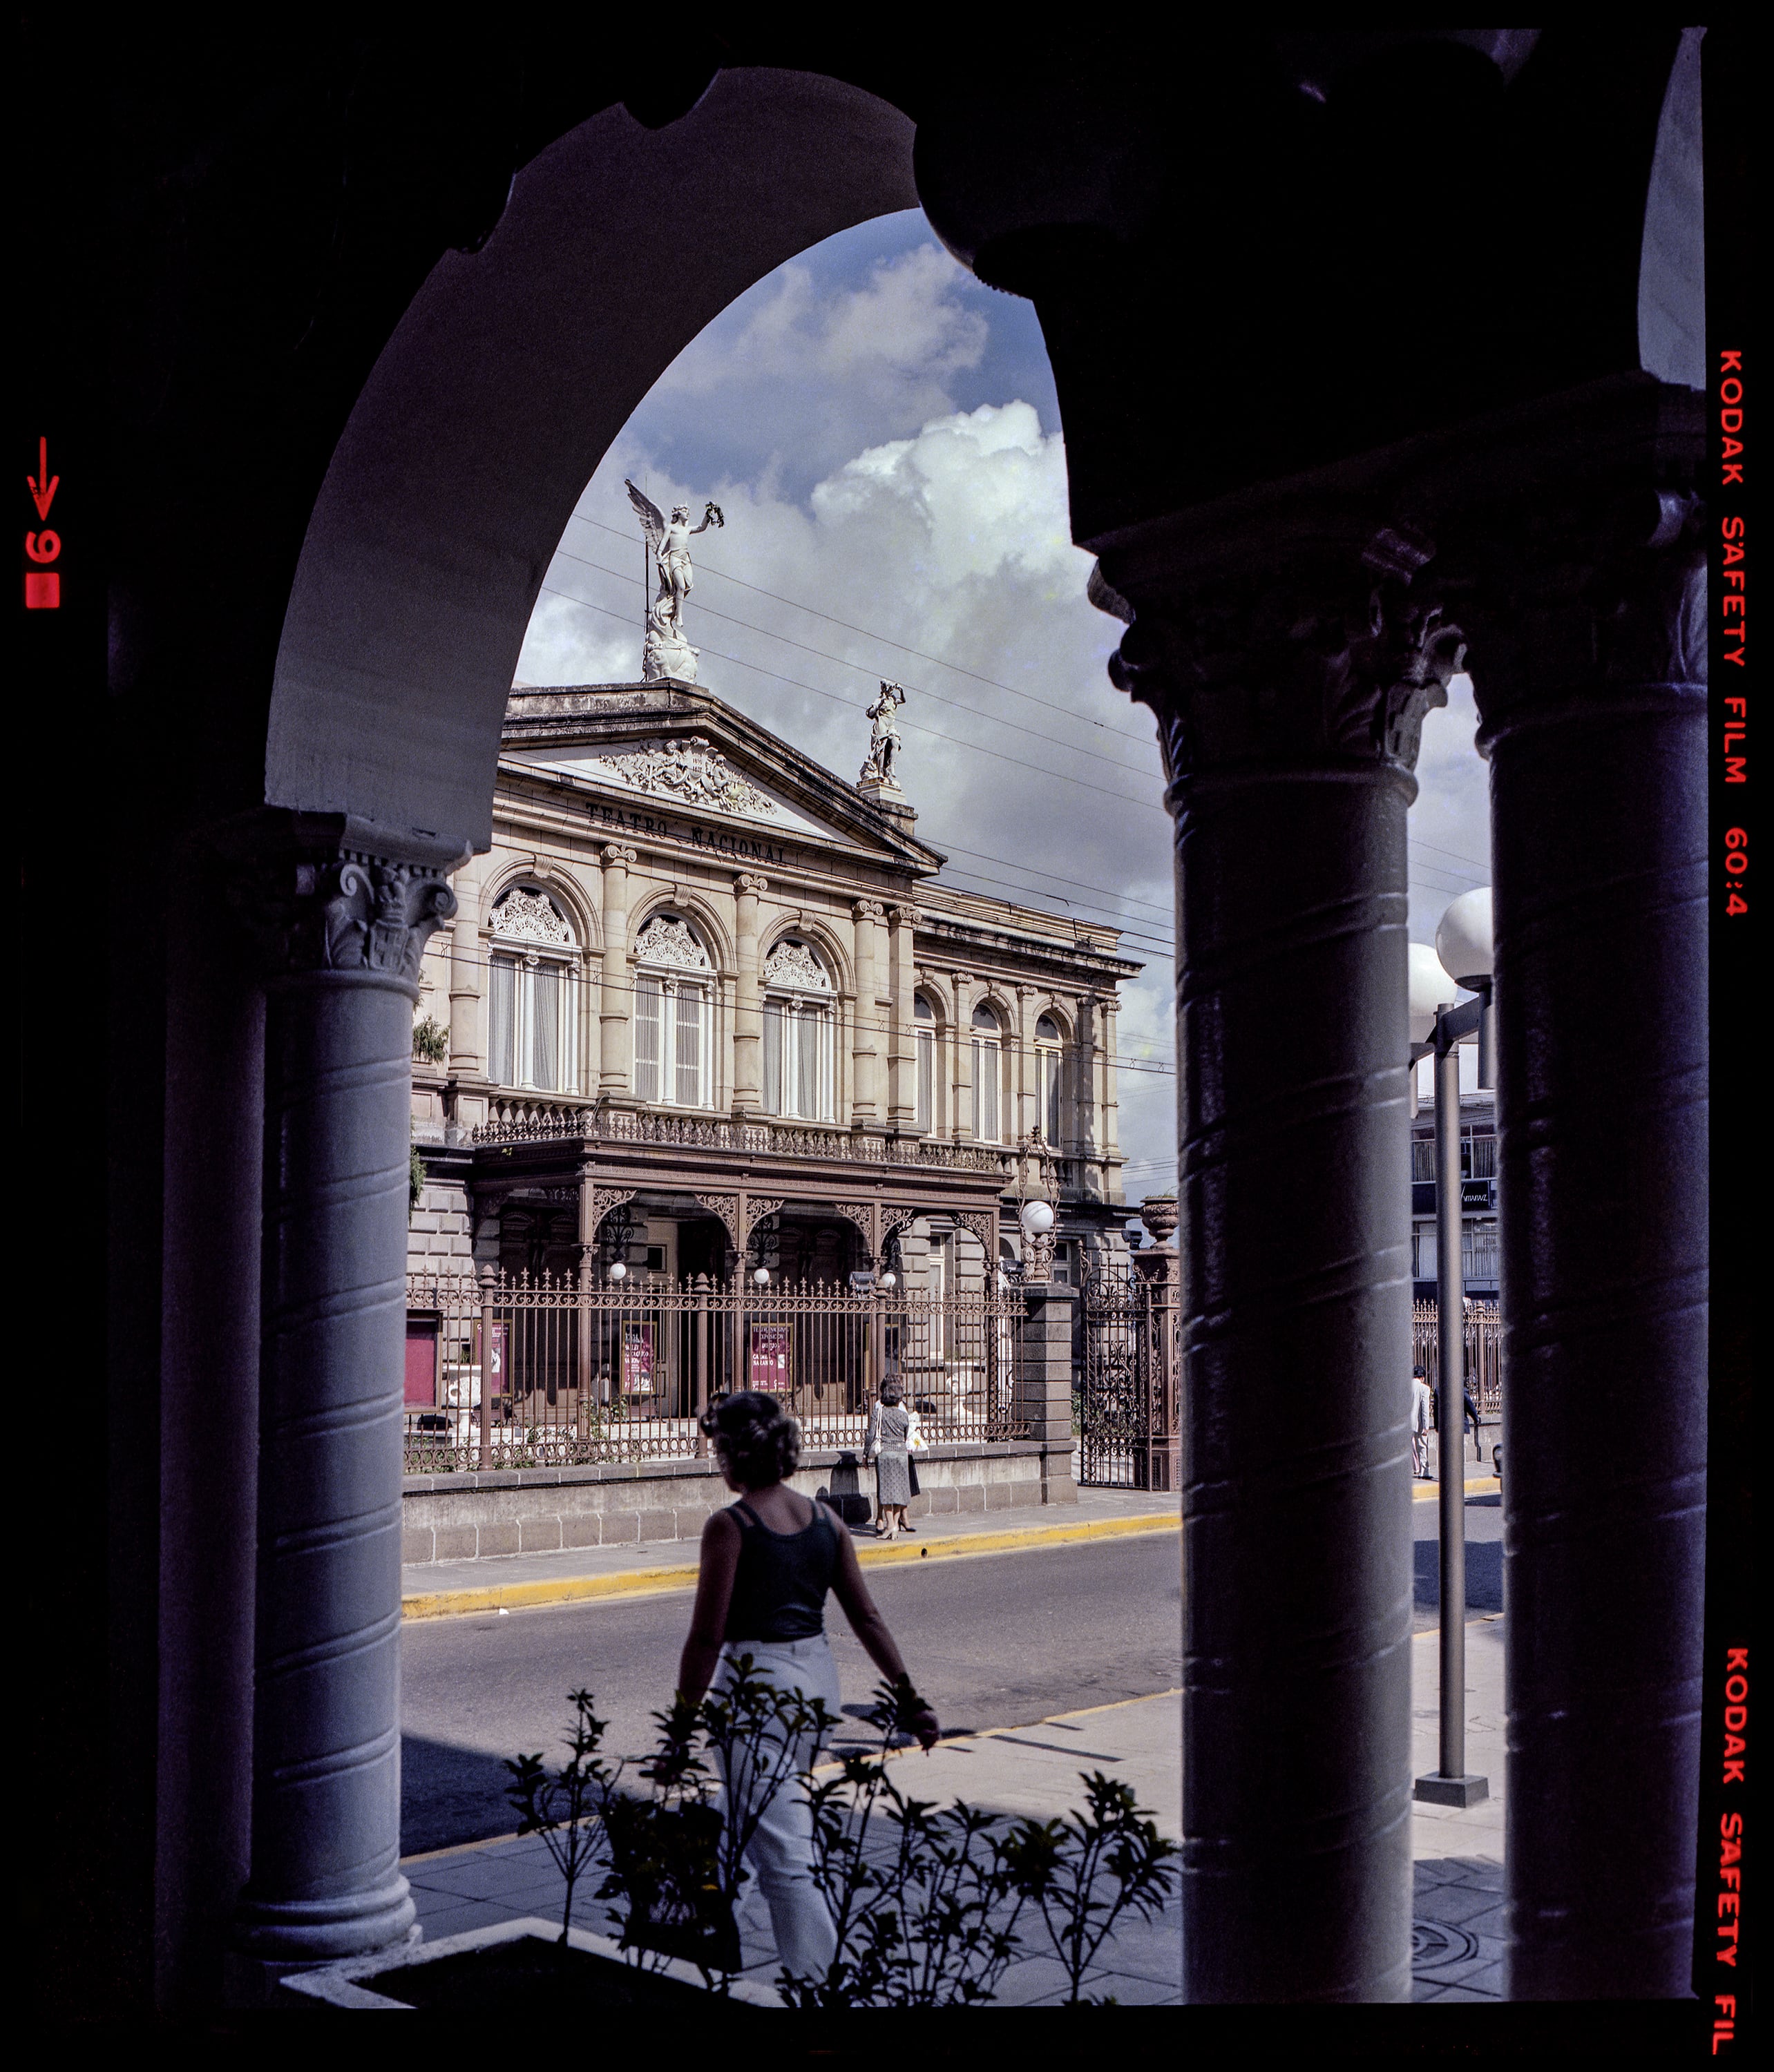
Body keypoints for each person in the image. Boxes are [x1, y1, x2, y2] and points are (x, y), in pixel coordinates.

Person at [678, 1391, 940, 1979]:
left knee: (786, 1855)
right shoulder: (827, 1522)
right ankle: (705, 1944)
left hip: (756, 1690)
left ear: (736, 1455)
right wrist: (911, 1701)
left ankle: (820, 1983)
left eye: (720, 1448)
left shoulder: (731, 1527)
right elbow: (867, 1618)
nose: (718, 1459)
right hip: (815, 1682)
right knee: (741, 1821)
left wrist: (678, 1730)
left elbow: (705, 1638)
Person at [866, 1379, 914, 1539]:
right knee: (899, 1490)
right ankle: (895, 1526)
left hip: (885, 1454)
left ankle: (889, 1526)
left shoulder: (879, 1413)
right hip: (901, 1454)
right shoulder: (903, 1415)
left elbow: (871, 1434)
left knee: (886, 1490)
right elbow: (906, 1435)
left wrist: (866, 1454)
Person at [1410, 1365, 1432, 1479]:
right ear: (1422, 1377)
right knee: (1422, 1446)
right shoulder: (1424, 1388)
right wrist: (1426, 1426)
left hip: (1405, 1423)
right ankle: (1424, 1471)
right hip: (1418, 1423)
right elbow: (1425, 1409)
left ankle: (1413, 1468)